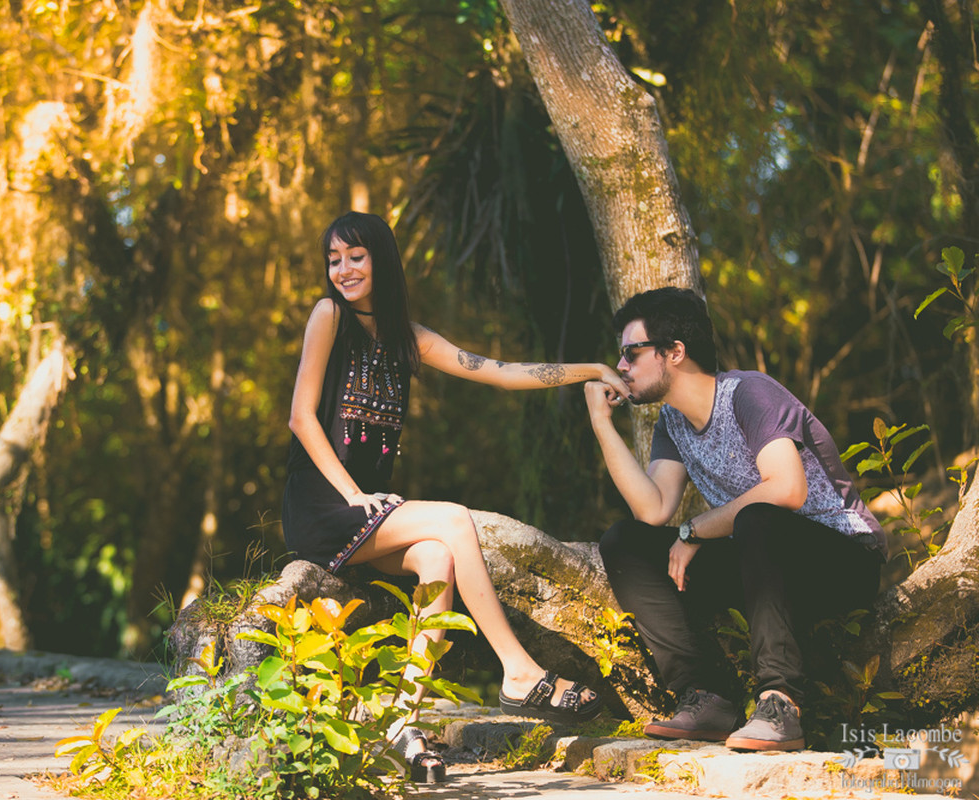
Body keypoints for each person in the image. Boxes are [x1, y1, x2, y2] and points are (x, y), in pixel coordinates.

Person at [283, 211, 628, 781]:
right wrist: (353, 494)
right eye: (334, 260)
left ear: (381, 259)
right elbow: (301, 417)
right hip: (322, 505)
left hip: (364, 513)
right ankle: (518, 670)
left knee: (438, 558)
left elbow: (501, 371)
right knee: (454, 519)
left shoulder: (409, 338)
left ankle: (404, 722)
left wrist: (591, 367)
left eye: (356, 256)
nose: (343, 270)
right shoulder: (329, 316)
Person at [583, 286, 888, 752]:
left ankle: (780, 702)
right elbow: (653, 509)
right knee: (625, 541)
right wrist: (602, 424)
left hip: (843, 560)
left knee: (759, 517)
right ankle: (705, 697)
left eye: (632, 352)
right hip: (763, 565)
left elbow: (786, 489)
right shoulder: (672, 422)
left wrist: (695, 530)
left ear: (675, 352)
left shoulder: (749, 393)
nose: (620, 366)